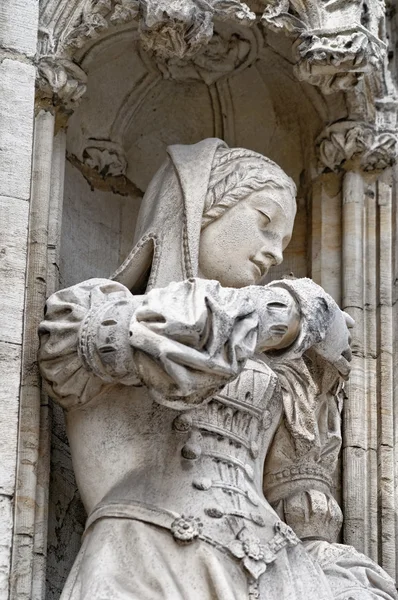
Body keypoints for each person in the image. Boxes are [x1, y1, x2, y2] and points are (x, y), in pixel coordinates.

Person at [39, 138, 397, 599]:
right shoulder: (92, 315)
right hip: (147, 559)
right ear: (202, 207)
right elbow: (178, 340)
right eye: (264, 223)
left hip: (275, 576)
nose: (274, 253)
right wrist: (299, 311)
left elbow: (305, 517)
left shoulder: (280, 369)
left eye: (285, 242)